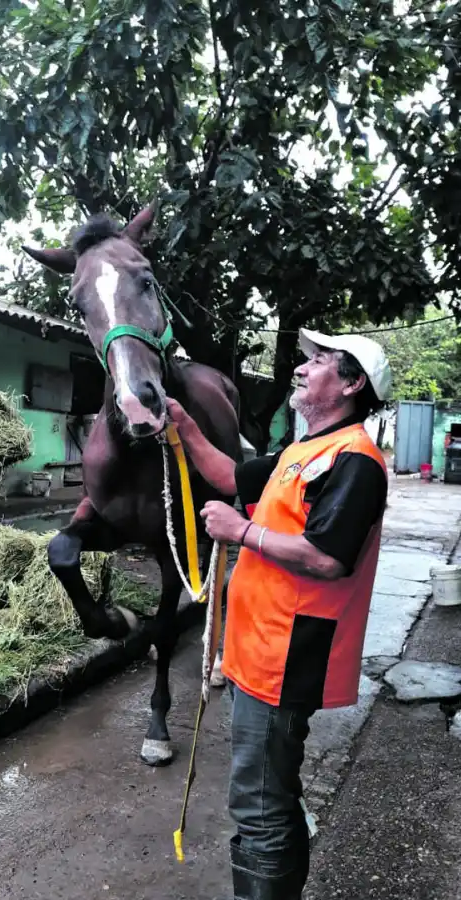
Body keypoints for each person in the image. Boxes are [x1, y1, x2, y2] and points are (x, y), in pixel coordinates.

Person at [167, 328, 392, 900]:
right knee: (265, 794)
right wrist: (182, 423)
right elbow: (228, 476)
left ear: (350, 384)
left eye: (319, 362)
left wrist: (242, 531)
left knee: (260, 804)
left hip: (287, 659)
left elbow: (326, 557)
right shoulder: (301, 453)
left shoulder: (355, 460)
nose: (301, 367)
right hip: (256, 652)